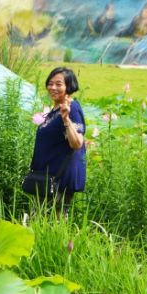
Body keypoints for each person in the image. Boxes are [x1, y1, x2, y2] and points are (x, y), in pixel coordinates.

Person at [29, 67, 86, 212]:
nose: (53, 87)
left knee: (53, 223)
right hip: (46, 177)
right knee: (40, 222)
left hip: (58, 180)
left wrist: (66, 119)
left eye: (59, 84)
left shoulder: (72, 108)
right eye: (50, 83)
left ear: (69, 86)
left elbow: (77, 143)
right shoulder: (56, 110)